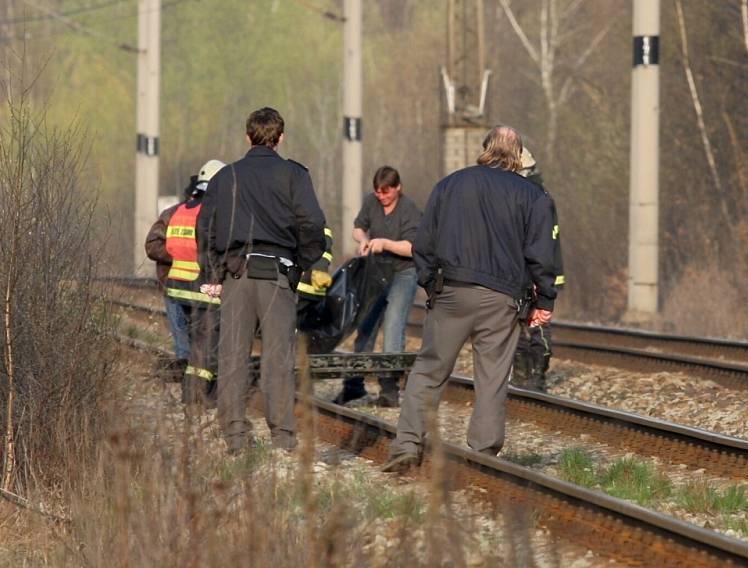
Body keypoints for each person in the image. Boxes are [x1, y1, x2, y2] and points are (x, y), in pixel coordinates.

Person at [382, 126, 558, 473]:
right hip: (502, 300)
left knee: (429, 371)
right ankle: (482, 456)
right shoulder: (533, 196)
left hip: (451, 292)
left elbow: (423, 244)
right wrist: (545, 301)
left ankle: (405, 446)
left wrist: (431, 285)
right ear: (518, 155)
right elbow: (541, 255)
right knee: (492, 378)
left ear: (485, 148)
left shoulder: (449, 185)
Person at [198, 106, 326, 454]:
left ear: (247, 136)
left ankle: (236, 438)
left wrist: (214, 274)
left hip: (236, 275)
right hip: (278, 276)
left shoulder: (226, 178)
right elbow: (313, 226)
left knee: (232, 358)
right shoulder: (294, 176)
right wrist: (299, 263)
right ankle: (283, 439)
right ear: (280, 138)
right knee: (278, 360)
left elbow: (206, 228)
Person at [333, 166, 422, 407]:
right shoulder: (371, 203)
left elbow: (413, 247)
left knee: (393, 325)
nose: (381, 196)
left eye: (386, 192)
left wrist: (385, 243)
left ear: (397, 188)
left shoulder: (409, 210)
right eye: (377, 192)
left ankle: (389, 388)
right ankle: (353, 385)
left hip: (403, 273)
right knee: (365, 325)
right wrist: (364, 240)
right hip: (376, 273)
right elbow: (358, 227)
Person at [163, 159, 226, 406]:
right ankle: (203, 395)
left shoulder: (181, 210)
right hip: (199, 288)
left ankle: (191, 393)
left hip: (175, 286)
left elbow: (169, 247)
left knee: (188, 350)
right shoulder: (210, 213)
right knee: (206, 347)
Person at [510, 147, 565, 392]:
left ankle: (529, 376)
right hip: (540, 271)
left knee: (526, 323)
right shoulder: (541, 195)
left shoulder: (529, 197)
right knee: (532, 323)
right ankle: (531, 376)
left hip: (530, 271)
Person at [145, 175, 200, 376]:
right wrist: (179, 253)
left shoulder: (213, 214)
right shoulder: (172, 215)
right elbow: (152, 246)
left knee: (196, 336)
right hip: (174, 283)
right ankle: (186, 368)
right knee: (183, 337)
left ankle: (191, 370)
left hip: (200, 285)